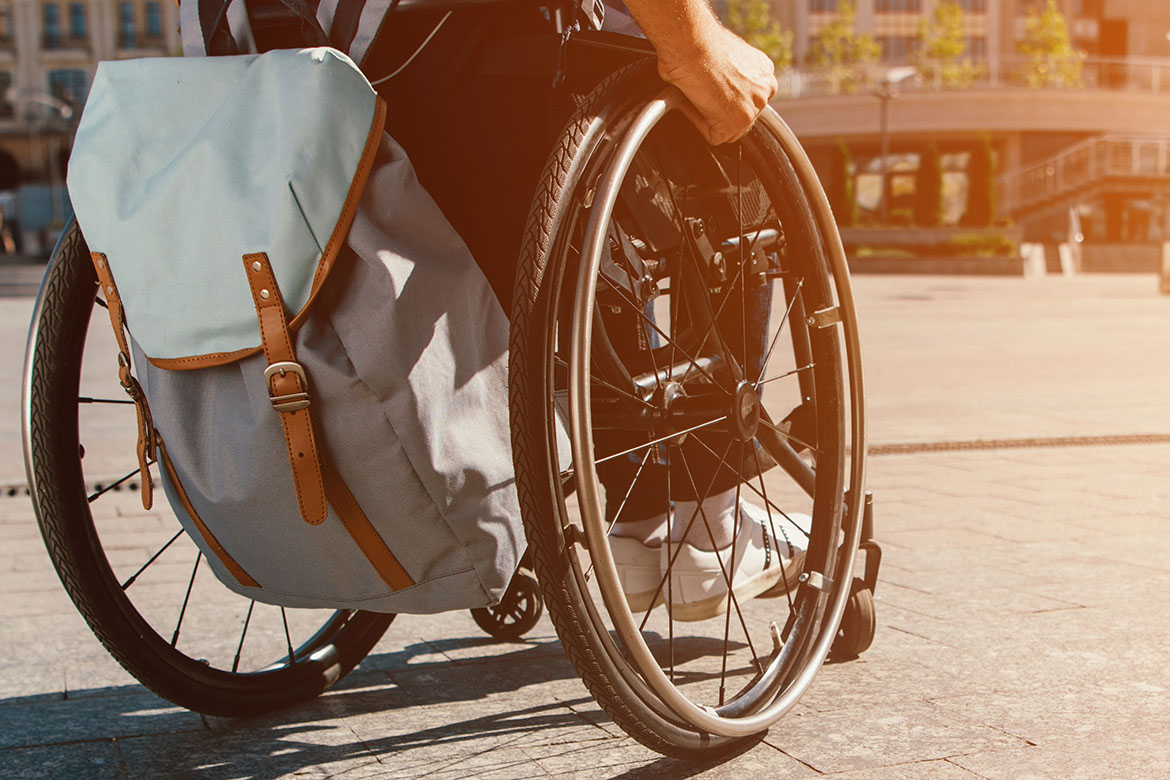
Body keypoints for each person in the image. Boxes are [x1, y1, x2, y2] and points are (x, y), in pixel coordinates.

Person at [181, 0, 802, 620]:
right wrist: (699, 48)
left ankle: (637, 519)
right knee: (726, 126)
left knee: (578, 203)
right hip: (463, 60)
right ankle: (709, 522)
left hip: (271, 69)